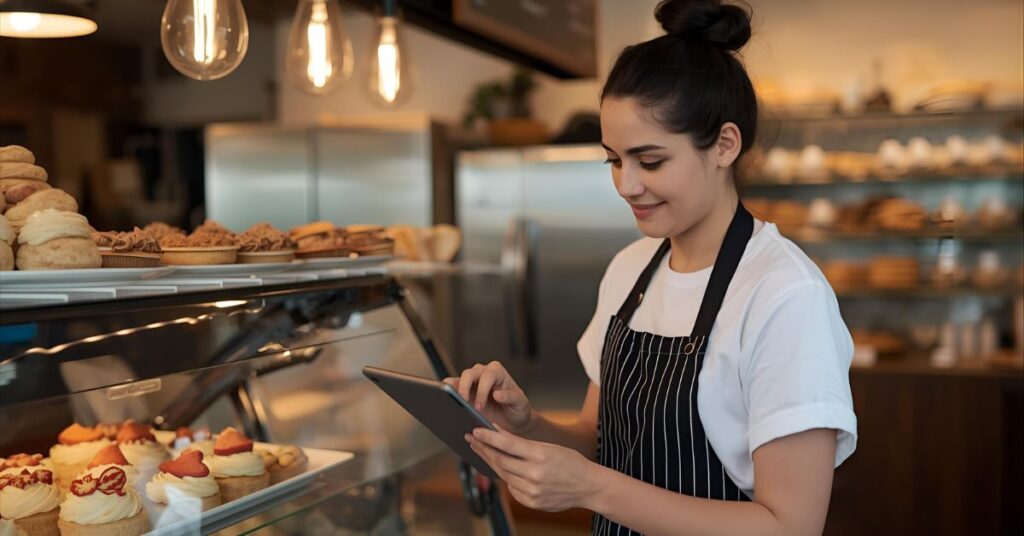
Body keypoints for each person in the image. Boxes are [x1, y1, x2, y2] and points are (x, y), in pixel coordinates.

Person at [448, 1, 858, 534]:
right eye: (614, 159)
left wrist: (593, 487)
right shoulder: (629, 269)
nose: (626, 185)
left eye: (651, 161)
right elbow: (600, 442)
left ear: (724, 145)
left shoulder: (783, 294)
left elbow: (790, 525)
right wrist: (527, 425)